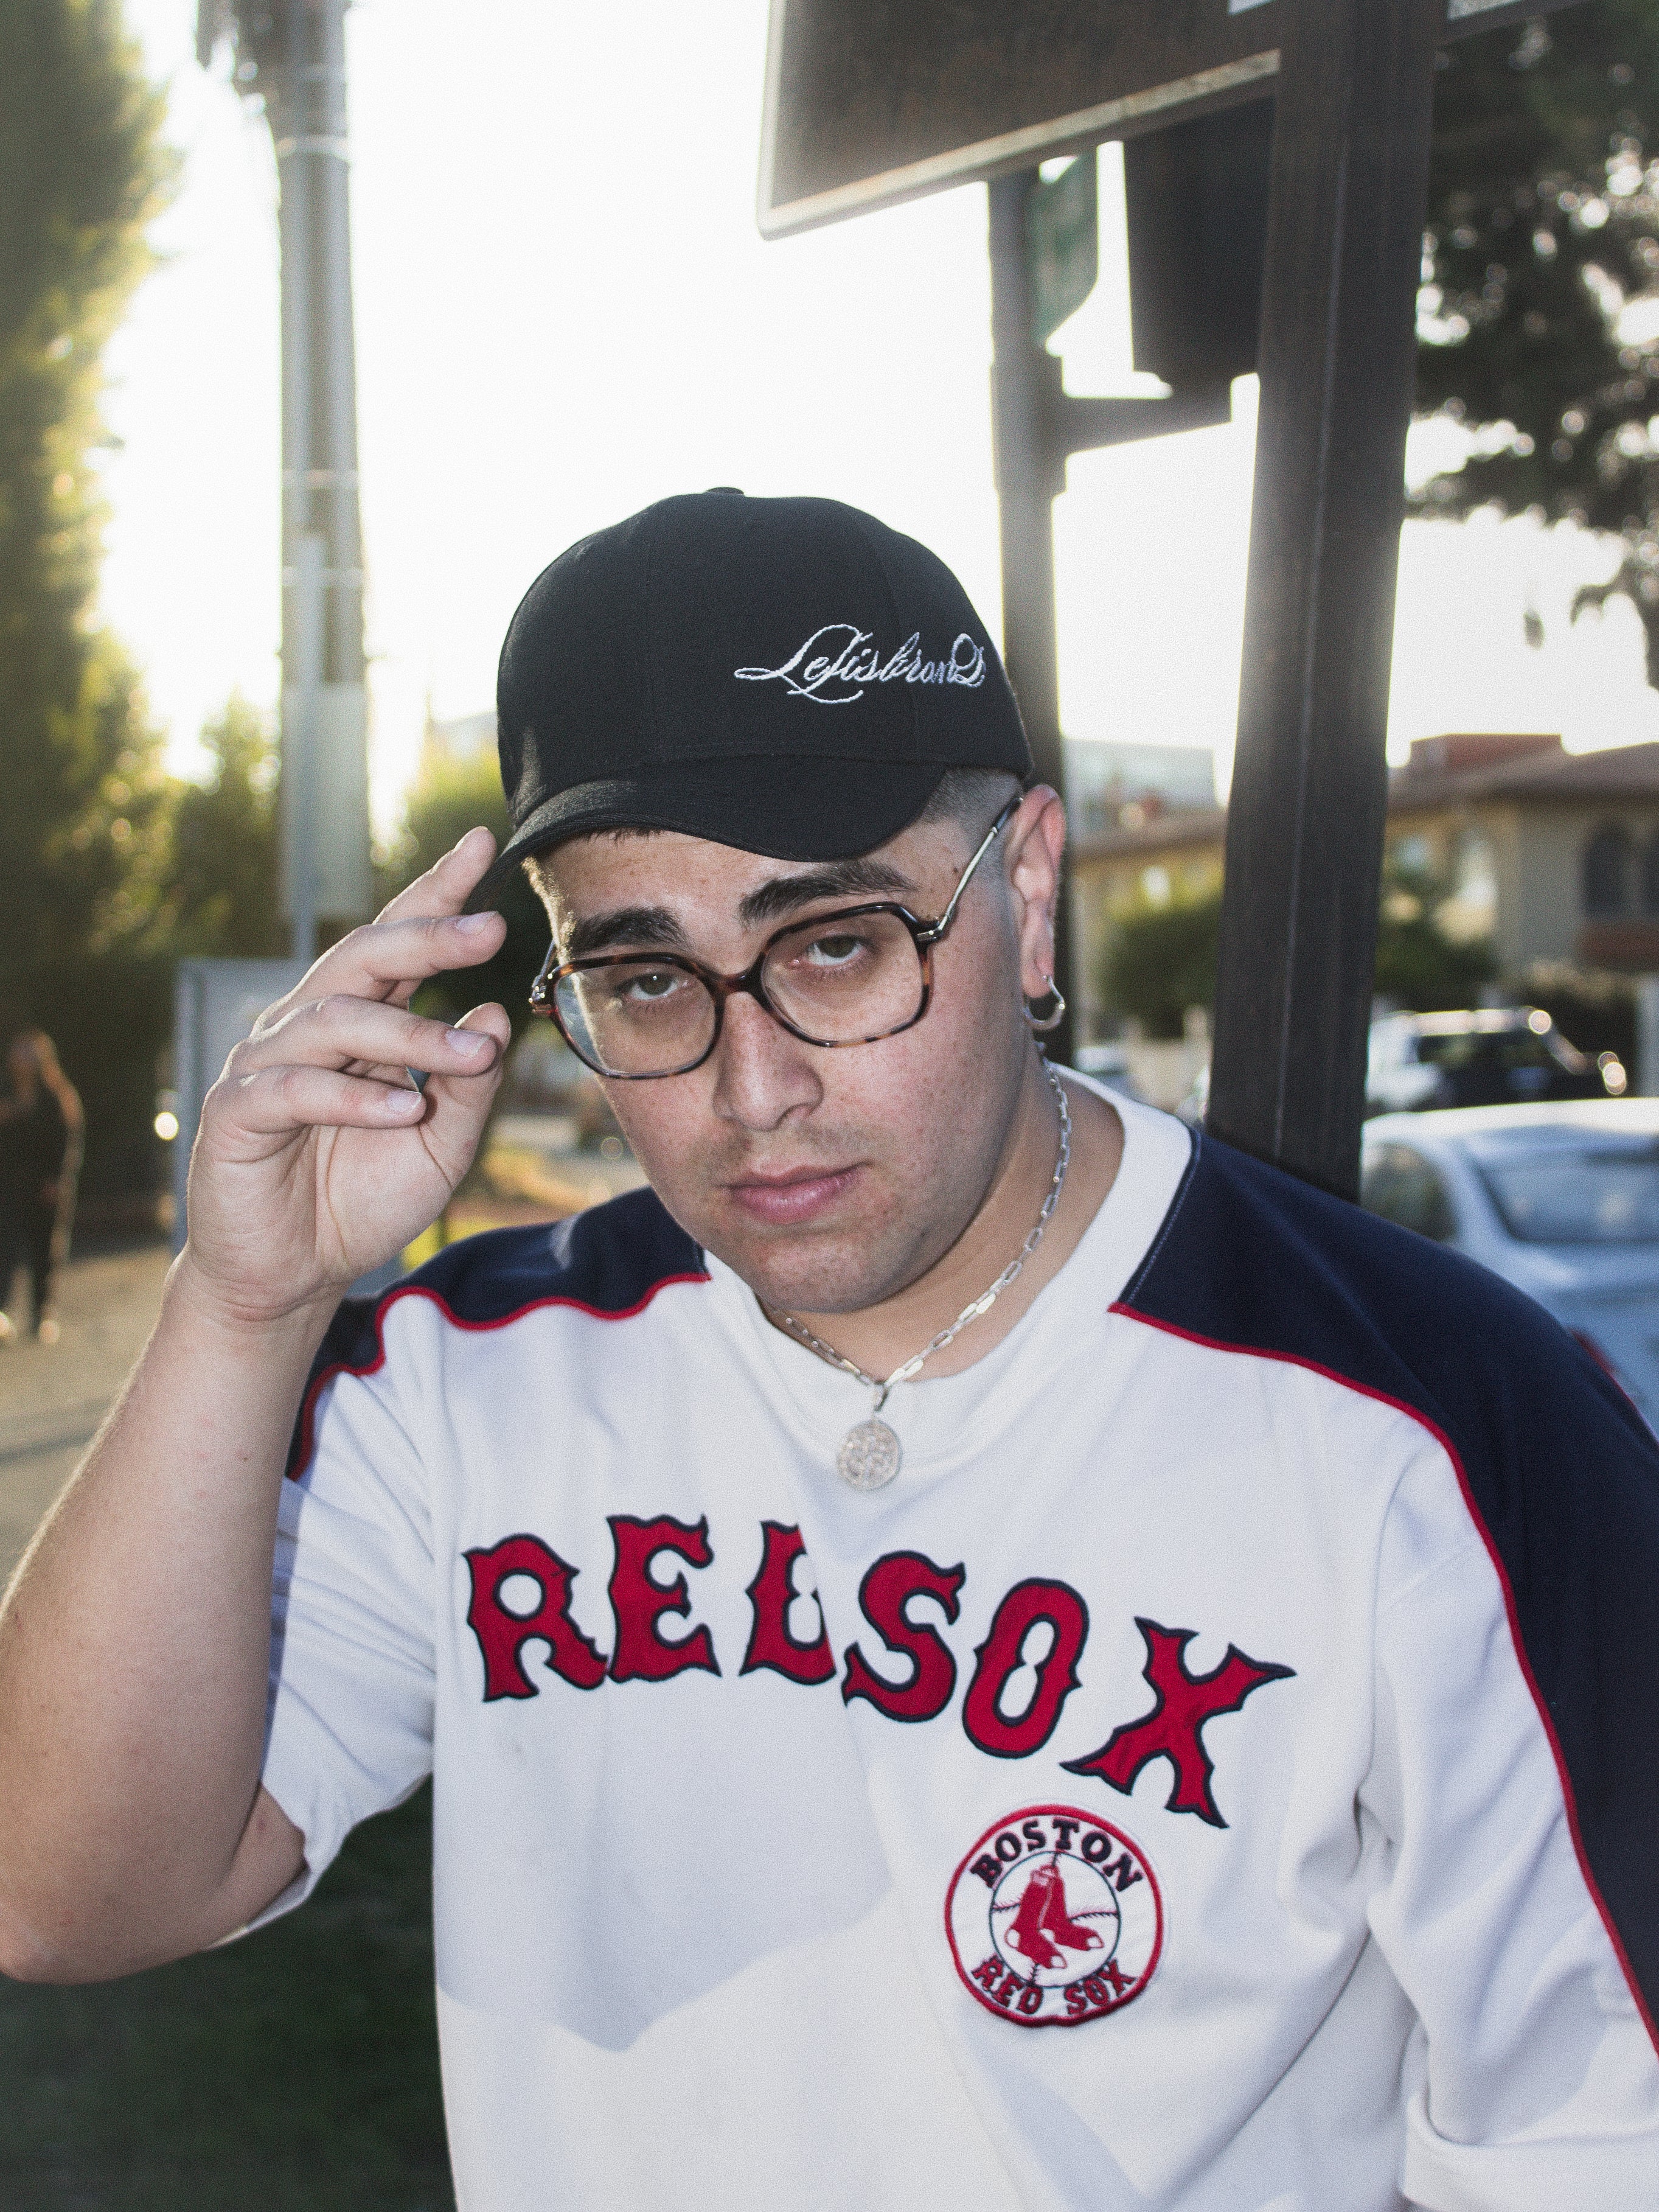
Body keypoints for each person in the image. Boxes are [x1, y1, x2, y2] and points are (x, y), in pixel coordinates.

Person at [0, 491, 1655, 2212]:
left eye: (838, 945)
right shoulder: (462, 1380)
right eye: (646, 980)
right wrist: (243, 1307)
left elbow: (1592, 2148)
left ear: (1026, 887)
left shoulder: (1441, 1431)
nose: (753, 1086)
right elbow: (62, 1892)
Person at [0, 1031, 84, 1347]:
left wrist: (58, 1178)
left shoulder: (56, 1097)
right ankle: (3, 1312)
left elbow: (67, 1141)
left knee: (44, 1250)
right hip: (8, 1184)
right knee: (5, 1248)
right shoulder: (6, 1092)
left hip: (44, 1186)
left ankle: (41, 1314)